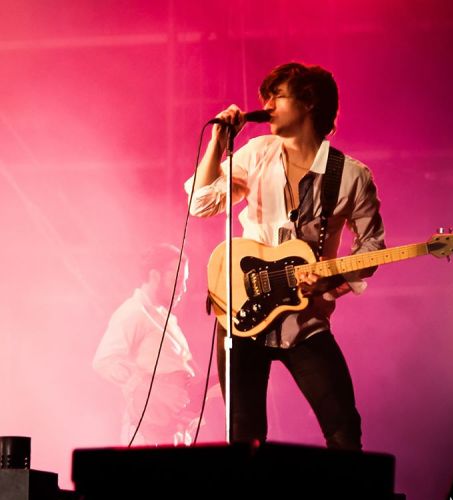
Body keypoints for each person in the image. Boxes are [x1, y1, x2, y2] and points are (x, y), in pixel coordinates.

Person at [185, 62, 385, 450]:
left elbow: (372, 246)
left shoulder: (351, 176)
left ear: (308, 102)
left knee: (343, 428)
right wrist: (218, 143)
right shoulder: (258, 152)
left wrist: (331, 285)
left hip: (305, 321)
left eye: (277, 96)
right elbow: (201, 202)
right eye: (266, 98)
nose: (267, 105)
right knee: (245, 441)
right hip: (243, 314)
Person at [92, 243, 198, 446]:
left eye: (185, 282)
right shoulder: (133, 312)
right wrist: (155, 390)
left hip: (173, 435)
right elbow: (104, 361)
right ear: (155, 275)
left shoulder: (167, 319)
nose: (183, 289)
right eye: (175, 280)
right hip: (146, 436)